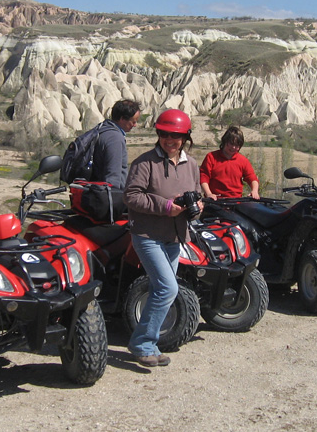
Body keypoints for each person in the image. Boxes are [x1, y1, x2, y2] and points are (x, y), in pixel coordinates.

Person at [123, 109, 202, 368]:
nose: (170, 140)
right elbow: (132, 196)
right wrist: (166, 207)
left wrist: (199, 206)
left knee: (161, 289)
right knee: (168, 288)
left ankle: (150, 343)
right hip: (147, 235)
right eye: (165, 134)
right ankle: (142, 344)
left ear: (185, 137)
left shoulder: (191, 165)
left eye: (176, 136)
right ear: (158, 134)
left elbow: (197, 193)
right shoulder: (145, 163)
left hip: (174, 236)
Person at [90, 99, 141, 189]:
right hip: (107, 197)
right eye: (133, 121)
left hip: (95, 191)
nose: (135, 125)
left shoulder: (102, 129)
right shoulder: (114, 139)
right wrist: (115, 198)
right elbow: (113, 177)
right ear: (122, 119)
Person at [199, 126, 260, 199]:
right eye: (231, 144)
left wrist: (255, 191)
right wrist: (209, 194)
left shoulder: (243, 160)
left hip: (236, 202)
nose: (233, 147)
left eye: (237, 145)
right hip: (215, 202)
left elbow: (252, 178)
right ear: (225, 141)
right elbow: (204, 177)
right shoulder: (211, 157)